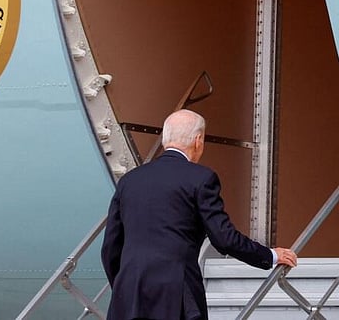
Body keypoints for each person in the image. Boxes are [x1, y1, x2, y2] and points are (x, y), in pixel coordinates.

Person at [101, 109, 297, 320]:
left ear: (166, 138)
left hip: (129, 294)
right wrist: (270, 255)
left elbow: (111, 247)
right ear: (198, 140)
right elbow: (224, 238)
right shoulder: (201, 179)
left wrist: (123, 285)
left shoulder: (130, 181)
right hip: (175, 293)